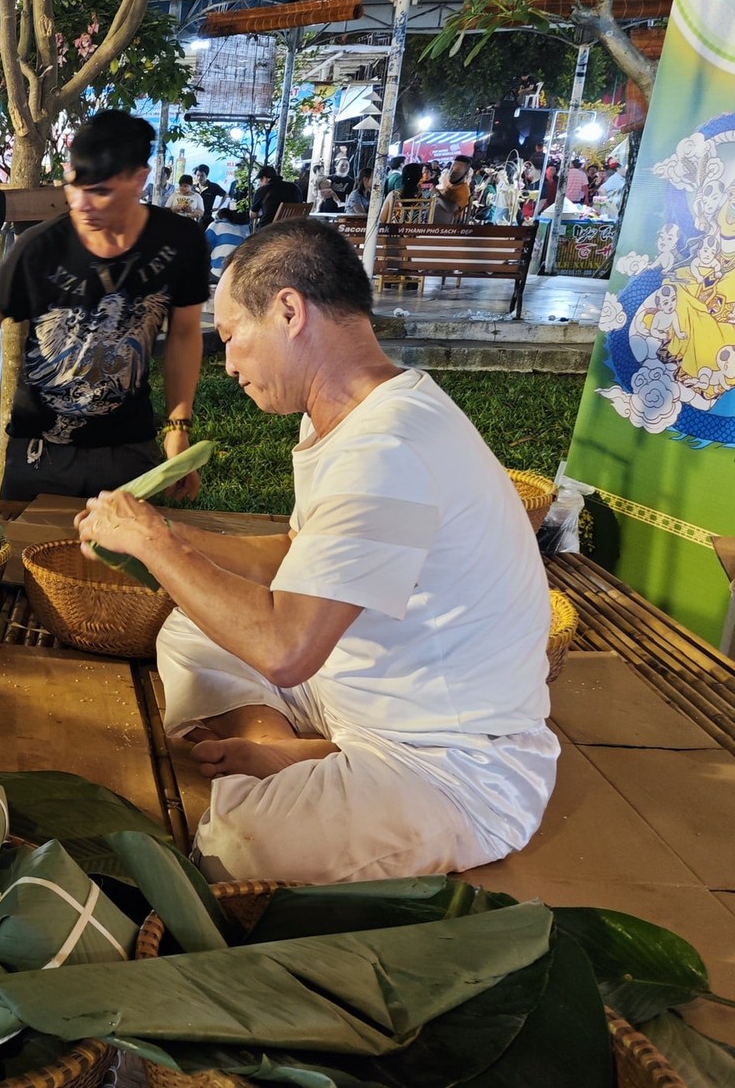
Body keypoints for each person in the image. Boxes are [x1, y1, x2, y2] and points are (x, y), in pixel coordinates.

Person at [75, 219, 556, 884]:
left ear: (290, 311)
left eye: (233, 336)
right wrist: (171, 536)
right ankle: (284, 746)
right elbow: (302, 551)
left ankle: (309, 767)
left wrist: (155, 545)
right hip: (345, 695)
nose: (230, 362)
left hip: (450, 765)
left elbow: (287, 649)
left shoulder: (389, 447)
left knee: (237, 849)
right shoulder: (348, 414)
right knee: (192, 630)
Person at [0, 110, 207, 501]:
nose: (81, 204)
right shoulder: (40, 247)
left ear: (139, 179)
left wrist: (178, 428)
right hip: (40, 455)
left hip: (129, 453)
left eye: (100, 191)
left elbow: (185, 335)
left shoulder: (179, 242)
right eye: (74, 186)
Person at [433, 154, 473, 223]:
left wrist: (438, 194)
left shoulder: (463, 190)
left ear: (465, 173)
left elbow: (451, 208)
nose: (452, 172)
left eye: (457, 170)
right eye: (451, 168)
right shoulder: (451, 185)